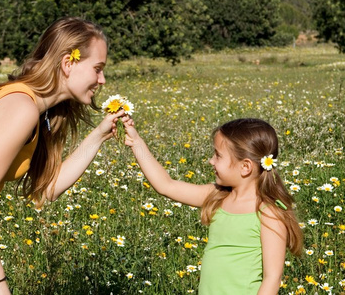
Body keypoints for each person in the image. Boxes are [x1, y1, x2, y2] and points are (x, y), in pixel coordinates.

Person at [0, 17, 127, 295]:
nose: (102, 79)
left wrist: (99, 135)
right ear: (68, 63)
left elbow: (47, 190)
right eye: (98, 69)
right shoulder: (22, 108)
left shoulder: (34, 109)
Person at [124, 118, 303, 294]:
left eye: (218, 155)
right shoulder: (218, 196)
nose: (211, 161)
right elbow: (166, 185)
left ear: (245, 167)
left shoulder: (268, 213)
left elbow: (272, 279)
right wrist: (136, 142)